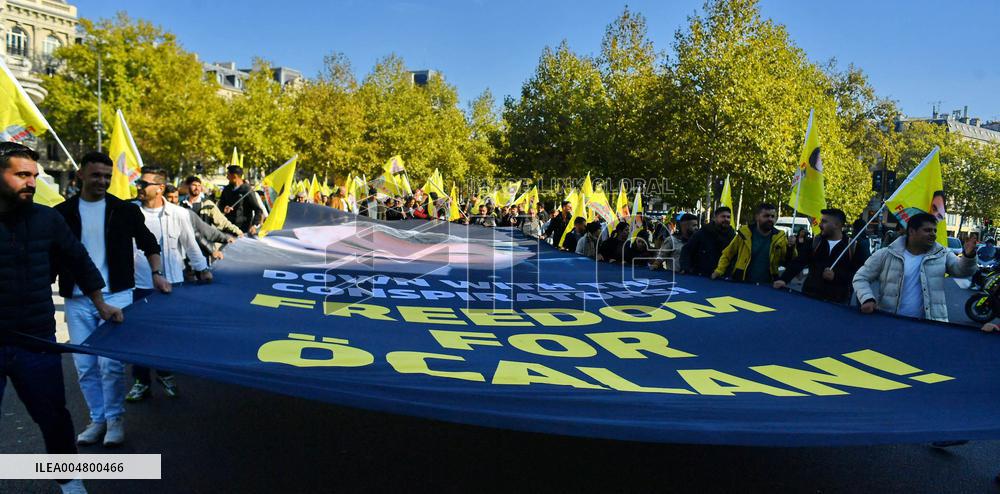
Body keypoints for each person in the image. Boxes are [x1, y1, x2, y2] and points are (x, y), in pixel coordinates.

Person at [0, 142, 123, 494]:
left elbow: (79, 260)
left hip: (36, 340)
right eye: (22, 175)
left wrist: (101, 304)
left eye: (34, 175)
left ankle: (70, 481)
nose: (32, 183)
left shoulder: (48, 219)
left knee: (53, 416)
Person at [54, 152, 168, 449]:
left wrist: (157, 273)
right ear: (80, 175)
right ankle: (98, 419)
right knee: (85, 366)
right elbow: (52, 255)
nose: (102, 181)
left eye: (107, 176)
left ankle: (115, 420)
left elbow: (149, 243)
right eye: (96, 175)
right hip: (77, 299)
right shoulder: (61, 212)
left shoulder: (124, 210)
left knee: (110, 365)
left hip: (117, 294)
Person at [127, 167, 213, 402]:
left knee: (166, 334)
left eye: (144, 184)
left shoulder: (178, 214)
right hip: (139, 285)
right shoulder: (130, 212)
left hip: (173, 284)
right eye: (138, 183)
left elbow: (190, 244)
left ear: (160, 188)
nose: (139, 187)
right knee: (139, 335)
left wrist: (202, 269)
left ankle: (165, 374)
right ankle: (141, 381)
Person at [853, 212, 977, 322]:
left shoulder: (942, 254)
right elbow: (861, 277)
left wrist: (969, 256)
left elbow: (962, 271)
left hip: (931, 325)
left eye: (935, 231)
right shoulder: (886, 254)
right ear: (912, 231)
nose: (933, 234)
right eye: (927, 230)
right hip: (890, 322)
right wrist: (867, 298)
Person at [773, 208, 862, 304]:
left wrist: (836, 276)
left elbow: (858, 275)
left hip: (837, 302)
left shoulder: (852, 246)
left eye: (824, 222)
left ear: (837, 225)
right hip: (810, 297)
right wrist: (784, 279)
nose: (820, 225)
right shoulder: (815, 242)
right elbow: (799, 262)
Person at [712, 203, 794, 283]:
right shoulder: (744, 233)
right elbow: (727, 254)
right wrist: (719, 271)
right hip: (742, 282)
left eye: (772, 216)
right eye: (766, 216)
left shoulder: (780, 237)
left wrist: (791, 247)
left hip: (768, 285)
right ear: (757, 217)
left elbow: (788, 260)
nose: (770, 219)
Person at [165, 185, 232, 263]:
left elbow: (204, 229)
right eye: (169, 197)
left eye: (176, 197)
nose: (173, 200)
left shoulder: (185, 213)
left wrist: (225, 238)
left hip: (183, 259)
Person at [680, 206, 735, 276]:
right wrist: (685, 268)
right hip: (702, 276)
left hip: (724, 277)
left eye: (728, 217)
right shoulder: (703, 232)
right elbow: (686, 250)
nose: (726, 219)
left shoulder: (733, 236)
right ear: (715, 218)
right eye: (723, 216)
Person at [217, 165, 263, 233]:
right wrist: (224, 208)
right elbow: (220, 204)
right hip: (228, 227)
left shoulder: (247, 190)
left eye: (228, 175)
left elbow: (258, 210)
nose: (227, 177)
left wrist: (254, 225)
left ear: (234, 176)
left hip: (243, 229)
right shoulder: (226, 189)